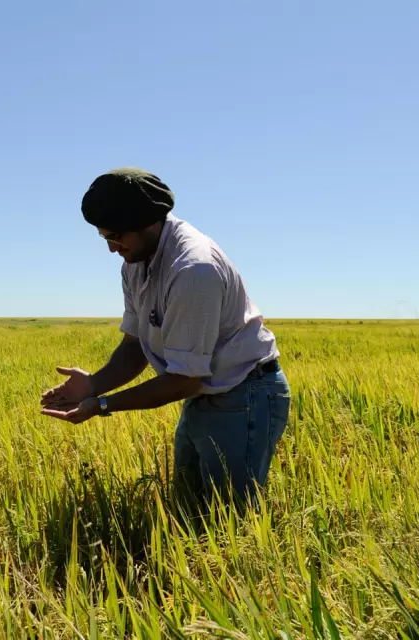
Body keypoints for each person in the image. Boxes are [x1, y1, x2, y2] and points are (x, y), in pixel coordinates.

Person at [41, 168, 290, 511]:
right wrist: (94, 385)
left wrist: (101, 406)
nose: (112, 249)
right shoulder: (135, 261)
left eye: (116, 236)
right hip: (208, 392)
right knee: (189, 504)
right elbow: (134, 346)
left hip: (244, 393)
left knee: (230, 515)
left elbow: (184, 382)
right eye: (104, 238)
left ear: (148, 223)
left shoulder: (192, 270)